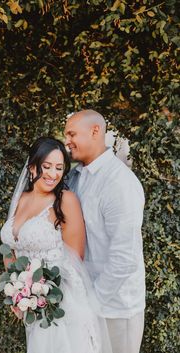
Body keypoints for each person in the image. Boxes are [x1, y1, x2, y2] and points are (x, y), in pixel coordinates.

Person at [0, 137, 112, 353]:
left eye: (59, 168)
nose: (53, 174)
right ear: (32, 168)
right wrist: (18, 292)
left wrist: (41, 290)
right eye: (47, 166)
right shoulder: (20, 199)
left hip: (62, 299)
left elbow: (75, 256)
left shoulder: (65, 200)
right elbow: (10, 249)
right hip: (31, 302)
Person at [65, 110, 145, 353]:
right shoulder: (74, 177)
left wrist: (91, 303)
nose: (67, 141)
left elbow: (124, 258)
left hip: (116, 308)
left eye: (71, 134)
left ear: (95, 131)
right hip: (83, 302)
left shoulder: (119, 183)